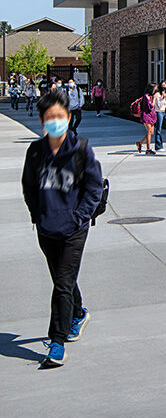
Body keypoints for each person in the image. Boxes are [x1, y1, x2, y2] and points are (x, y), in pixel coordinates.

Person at [21, 87, 103, 368]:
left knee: (62, 285)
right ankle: (78, 313)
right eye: (49, 116)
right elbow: (29, 188)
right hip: (46, 228)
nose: (55, 120)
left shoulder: (81, 150)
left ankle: (56, 342)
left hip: (74, 230)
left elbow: (93, 190)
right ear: (42, 121)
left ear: (68, 118)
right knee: (62, 281)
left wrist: (78, 218)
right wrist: (38, 215)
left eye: (60, 115)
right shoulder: (35, 152)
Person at [135, 83, 157, 155]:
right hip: (146, 115)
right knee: (148, 132)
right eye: (155, 88)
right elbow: (150, 106)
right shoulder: (146, 96)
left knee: (151, 133)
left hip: (152, 115)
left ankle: (140, 143)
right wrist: (154, 99)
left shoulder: (151, 96)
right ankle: (148, 149)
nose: (155, 90)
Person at [152, 81, 166, 151]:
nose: (163, 87)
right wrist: (163, 98)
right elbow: (159, 105)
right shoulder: (157, 94)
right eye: (162, 85)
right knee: (158, 129)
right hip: (159, 112)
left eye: (165, 85)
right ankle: (158, 146)